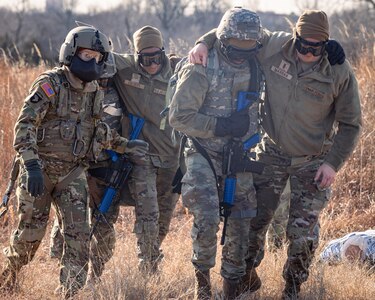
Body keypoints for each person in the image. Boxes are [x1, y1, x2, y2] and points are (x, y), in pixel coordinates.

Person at [189, 10, 362, 299]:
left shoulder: (338, 72)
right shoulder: (275, 46)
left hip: (313, 160)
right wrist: (203, 43)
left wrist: (332, 164)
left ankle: (292, 289)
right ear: (295, 38)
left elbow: (351, 124)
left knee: (301, 235)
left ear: (326, 44)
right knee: (252, 223)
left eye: (316, 47)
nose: (307, 52)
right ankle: (246, 279)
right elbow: (234, 29)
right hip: (271, 153)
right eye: (303, 45)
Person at [0, 26, 148, 297]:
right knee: (28, 241)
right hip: (40, 172)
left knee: (79, 242)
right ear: (71, 52)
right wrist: (31, 165)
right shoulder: (50, 84)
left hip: (72, 175)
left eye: (96, 57)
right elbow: (24, 126)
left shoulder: (93, 91)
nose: (91, 61)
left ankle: (69, 293)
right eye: (86, 54)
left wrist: (125, 145)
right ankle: (9, 275)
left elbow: (98, 130)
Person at [169, 8, 266, 299]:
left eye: (248, 47)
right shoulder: (201, 64)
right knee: (208, 216)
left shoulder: (257, 60)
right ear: (223, 40)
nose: (241, 53)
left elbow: (288, 42)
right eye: (236, 47)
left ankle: (232, 289)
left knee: (240, 221)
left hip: (239, 153)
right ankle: (202, 285)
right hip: (203, 152)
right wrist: (221, 126)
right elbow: (179, 117)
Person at [112, 26, 180, 273]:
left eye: (156, 57)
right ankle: (148, 266)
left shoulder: (178, 71)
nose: (152, 63)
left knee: (164, 217)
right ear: (136, 55)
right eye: (145, 58)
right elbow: (97, 56)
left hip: (172, 157)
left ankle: (151, 253)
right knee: (148, 214)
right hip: (142, 155)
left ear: (163, 52)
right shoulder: (126, 68)